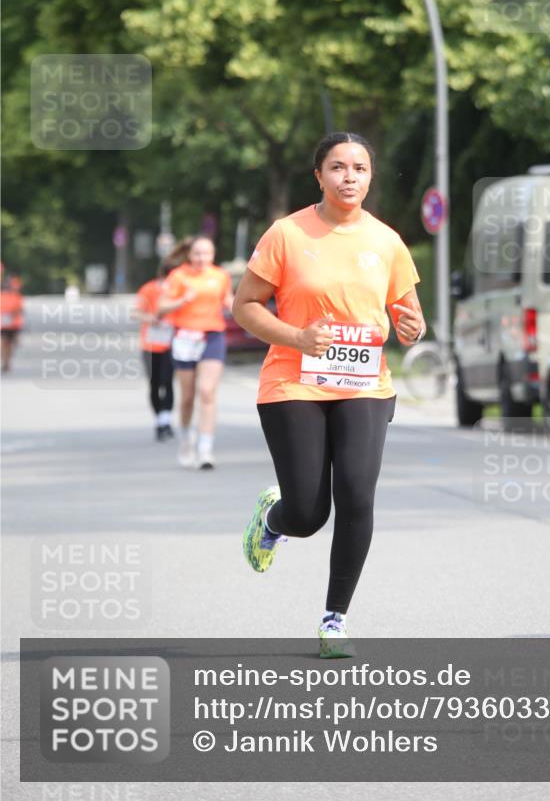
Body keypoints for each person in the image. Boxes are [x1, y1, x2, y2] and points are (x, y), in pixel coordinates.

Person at [233, 132, 426, 658]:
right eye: (338, 167)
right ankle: (273, 519)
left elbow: (408, 315)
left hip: (365, 385)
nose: (349, 177)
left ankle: (334, 620)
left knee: (358, 495)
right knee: (308, 514)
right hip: (293, 382)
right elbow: (244, 306)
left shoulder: (386, 241)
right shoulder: (287, 234)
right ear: (318, 176)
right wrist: (296, 337)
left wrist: (413, 329)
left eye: (359, 168)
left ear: (370, 177)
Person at [158, 236, 233, 470]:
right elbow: (161, 307)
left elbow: (228, 300)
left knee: (207, 392)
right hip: (185, 337)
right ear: (189, 255)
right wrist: (182, 300)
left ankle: (205, 449)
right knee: (188, 397)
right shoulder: (178, 276)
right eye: (197, 253)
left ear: (213, 254)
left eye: (207, 253)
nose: (202, 258)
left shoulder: (220, 276)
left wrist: (241, 309)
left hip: (212, 335)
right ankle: (186, 440)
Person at [132, 260, 177, 441]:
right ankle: (159, 419)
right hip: (150, 344)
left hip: (172, 344)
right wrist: (150, 318)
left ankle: (165, 420)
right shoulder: (148, 289)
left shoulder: (179, 291)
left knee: (168, 381)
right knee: (154, 383)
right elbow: (135, 312)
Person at [1, 273, 24, 373]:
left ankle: (8, 361)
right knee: (3, 343)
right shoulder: (1, 296)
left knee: (10, 344)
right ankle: (5, 362)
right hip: (3, 324)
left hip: (14, 324)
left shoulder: (17, 296)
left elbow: (20, 309)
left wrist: (13, 313)